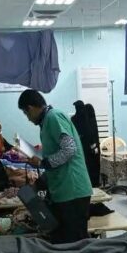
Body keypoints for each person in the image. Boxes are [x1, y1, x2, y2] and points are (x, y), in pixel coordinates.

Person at [18, 89, 93, 244]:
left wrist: (42, 163)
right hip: (64, 190)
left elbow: (69, 149)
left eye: (26, 113)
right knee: (63, 241)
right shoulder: (46, 123)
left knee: (75, 243)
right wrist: (40, 181)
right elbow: (56, 157)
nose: (28, 119)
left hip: (73, 190)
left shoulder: (53, 117)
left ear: (31, 108)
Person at [71, 100, 101, 186]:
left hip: (83, 147)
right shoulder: (88, 117)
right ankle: (94, 183)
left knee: (87, 166)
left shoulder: (75, 119)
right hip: (92, 147)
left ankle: (90, 183)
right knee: (93, 166)